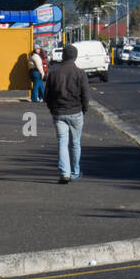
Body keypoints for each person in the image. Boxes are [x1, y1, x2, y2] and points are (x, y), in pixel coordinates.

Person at [44, 43, 91, 183]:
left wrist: (52, 108)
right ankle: (75, 172)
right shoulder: (80, 73)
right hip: (76, 111)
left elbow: (47, 96)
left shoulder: (53, 73)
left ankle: (65, 173)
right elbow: (85, 95)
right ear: (75, 57)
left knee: (62, 143)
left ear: (63, 56)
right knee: (75, 143)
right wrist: (84, 109)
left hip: (59, 112)